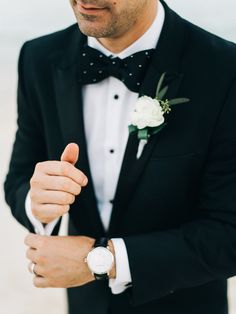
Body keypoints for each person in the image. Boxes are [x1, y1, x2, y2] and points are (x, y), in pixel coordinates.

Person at [4, 0, 236, 313]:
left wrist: (102, 260)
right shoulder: (38, 58)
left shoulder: (224, 68)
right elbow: (18, 178)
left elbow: (228, 233)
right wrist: (39, 202)